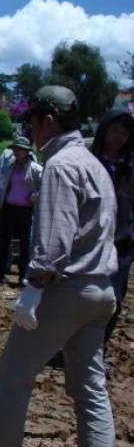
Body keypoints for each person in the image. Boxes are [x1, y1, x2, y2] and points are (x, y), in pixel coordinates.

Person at [0, 86, 118, 447]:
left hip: (66, 289)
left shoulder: (59, 166)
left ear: (49, 120)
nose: (32, 131)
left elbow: (55, 238)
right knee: (89, 386)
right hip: (102, 290)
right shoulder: (93, 164)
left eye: (34, 122)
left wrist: (34, 288)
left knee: (13, 377)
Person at [91, 108, 134, 375]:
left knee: (114, 300)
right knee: (87, 299)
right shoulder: (92, 164)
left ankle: (98, 351)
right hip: (92, 243)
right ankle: (81, 350)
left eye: (125, 132)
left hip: (122, 244)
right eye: (115, 130)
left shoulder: (130, 166)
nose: (119, 137)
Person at [0, 136, 43, 285]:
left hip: (24, 210)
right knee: (3, 242)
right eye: (15, 149)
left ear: (27, 151)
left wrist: (32, 197)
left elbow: (43, 189)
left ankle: (23, 275)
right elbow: (3, 183)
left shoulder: (35, 169)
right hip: (8, 207)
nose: (17, 152)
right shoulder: (10, 166)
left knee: (25, 243)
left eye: (20, 150)